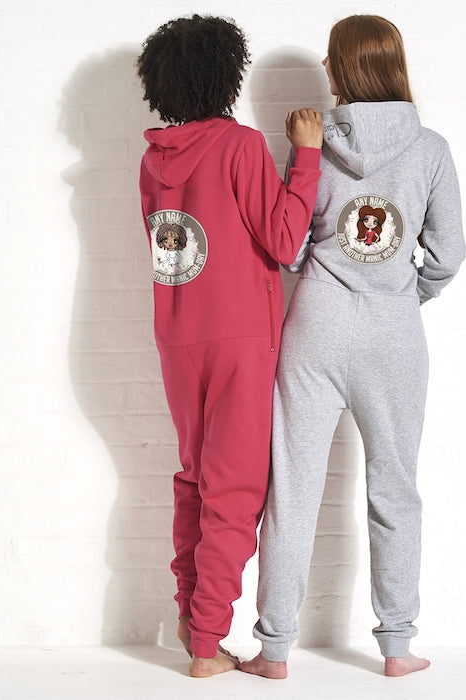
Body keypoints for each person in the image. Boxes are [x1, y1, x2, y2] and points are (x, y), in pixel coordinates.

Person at [240, 14, 466, 679]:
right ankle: (397, 648)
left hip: (314, 329)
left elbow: (291, 250)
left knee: (293, 490)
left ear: (339, 69)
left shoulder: (312, 143)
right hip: (393, 338)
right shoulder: (431, 150)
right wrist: (401, 295)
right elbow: (448, 255)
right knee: (395, 490)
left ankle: (274, 651)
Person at [136, 14, 324, 678]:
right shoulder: (240, 146)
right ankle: (208, 645)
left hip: (177, 336)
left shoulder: (153, 159)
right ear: (225, 75)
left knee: (195, 479)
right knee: (235, 490)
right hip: (238, 336)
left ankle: (194, 620)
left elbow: (171, 246)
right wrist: (306, 158)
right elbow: (284, 240)